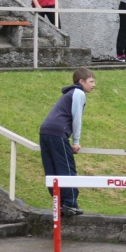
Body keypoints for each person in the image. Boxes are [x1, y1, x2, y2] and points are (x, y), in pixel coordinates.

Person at [40, 68, 95, 217]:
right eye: (91, 81)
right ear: (81, 82)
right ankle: (69, 204)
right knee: (66, 168)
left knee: (52, 170)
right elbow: (77, 118)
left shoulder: (69, 93)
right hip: (58, 133)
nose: (94, 85)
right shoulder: (78, 93)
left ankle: (59, 203)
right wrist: (75, 141)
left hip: (45, 131)